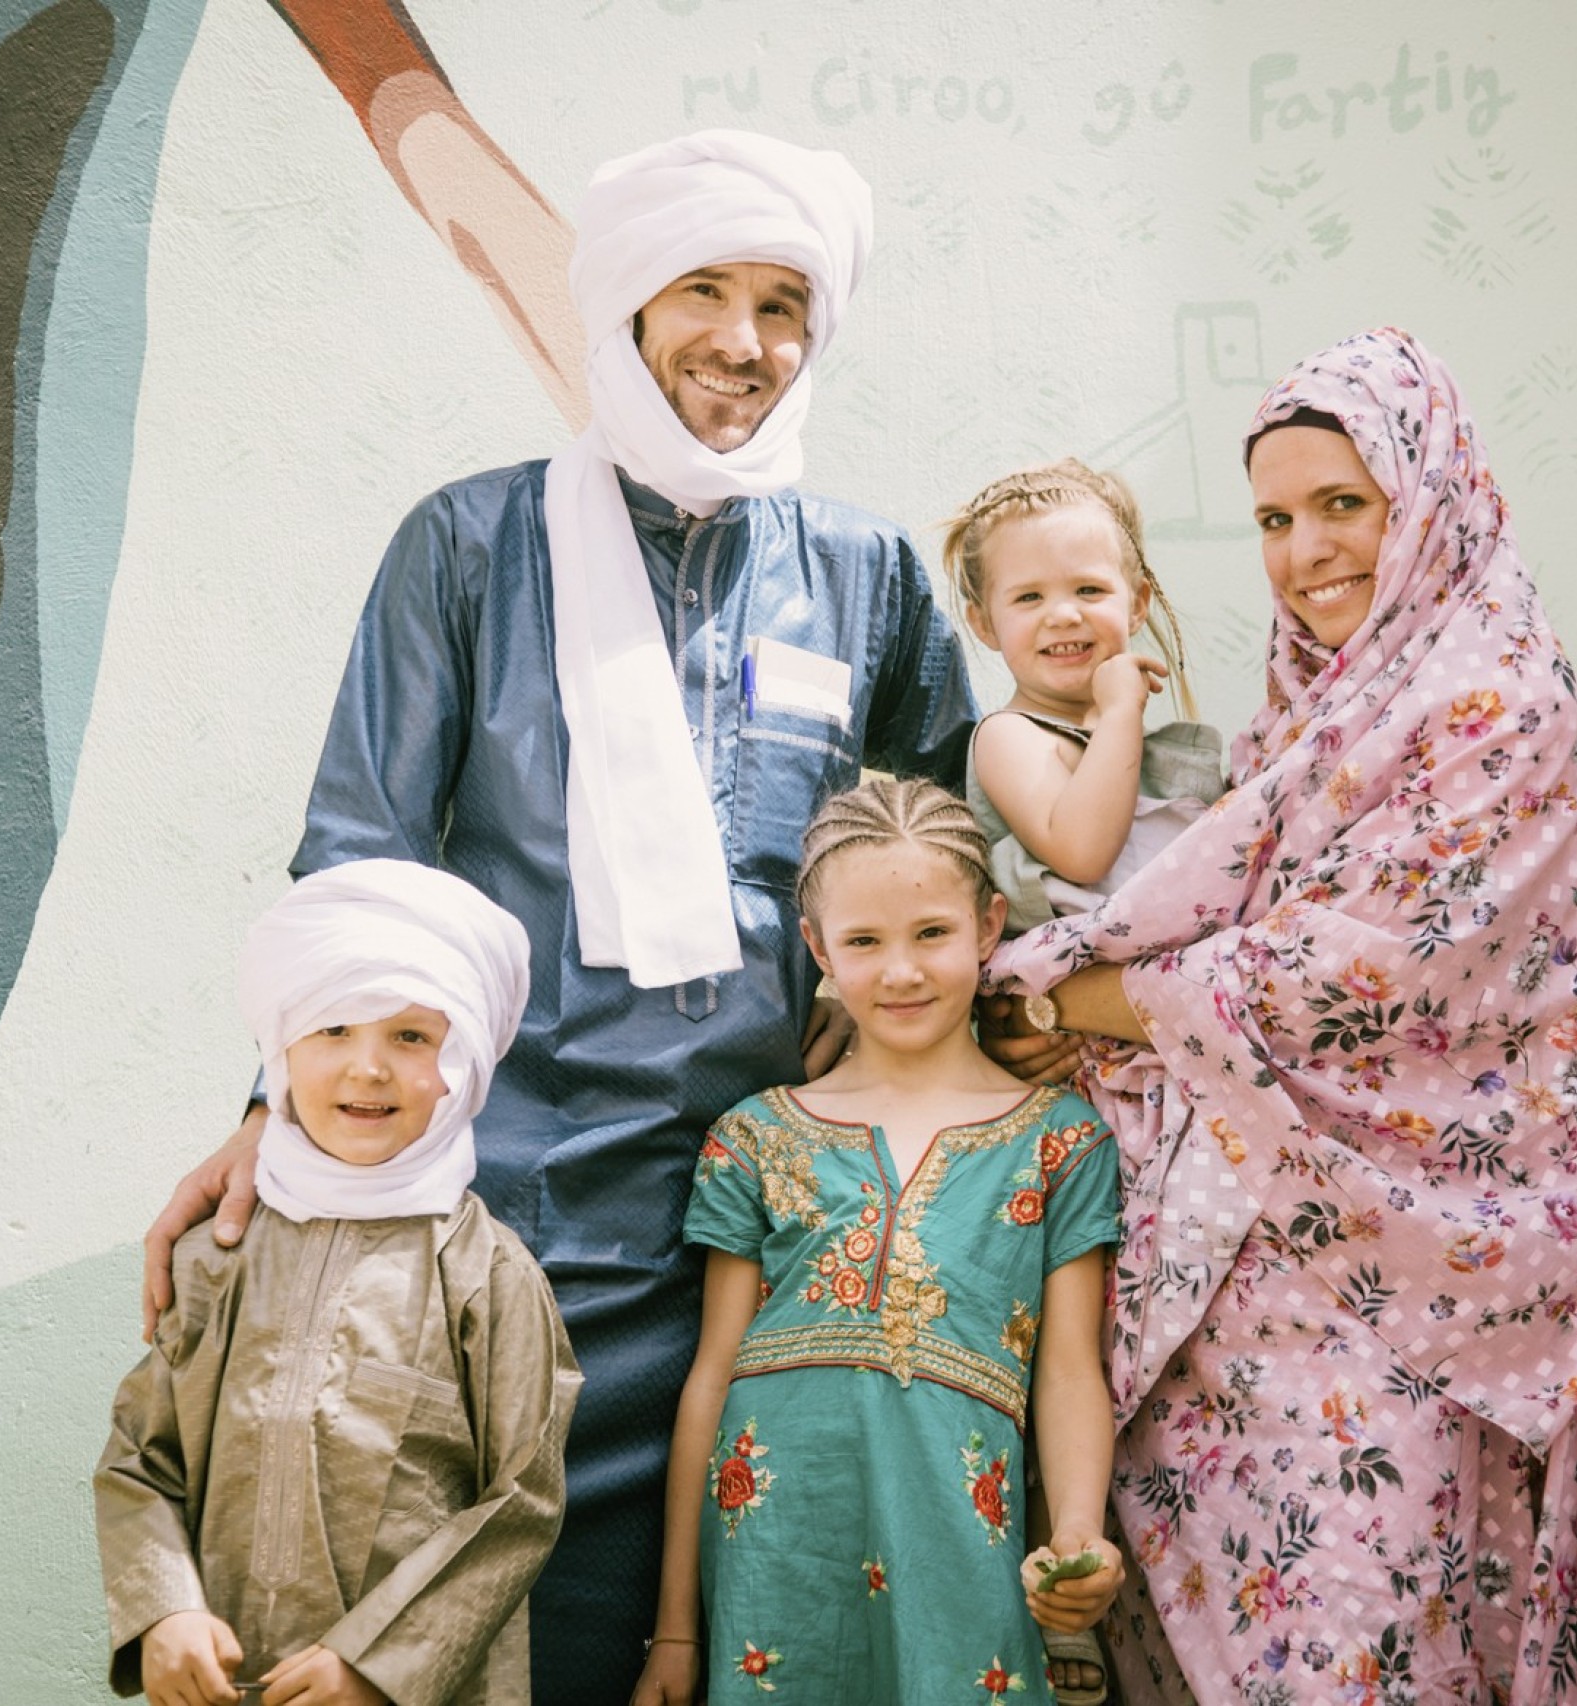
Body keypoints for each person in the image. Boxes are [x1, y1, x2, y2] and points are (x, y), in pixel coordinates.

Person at [139, 131, 977, 1706]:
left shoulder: (866, 571)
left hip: (761, 1206)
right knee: (444, 1603)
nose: (744, 340)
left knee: (714, 1620)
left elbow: (940, 849)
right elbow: (361, 852)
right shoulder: (467, 542)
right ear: (625, 313)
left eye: (785, 301)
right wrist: (279, 1107)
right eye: (704, 290)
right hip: (497, 1194)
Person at [984, 330, 1577, 1705]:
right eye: (1273, 519)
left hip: (1427, 1312)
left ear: (1429, 495)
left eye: (1342, 505)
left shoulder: (1502, 707)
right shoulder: (1303, 718)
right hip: (1247, 1321)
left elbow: (1348, 977)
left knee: (1374, 1657)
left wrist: (1075, 990)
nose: (1305, 551)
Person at [630, 778, 1125, 1706]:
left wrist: (1080, 1536)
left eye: (931, 933)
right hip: (775, 1562)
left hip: (961, 1555)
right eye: (864, 941)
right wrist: (676, 1628)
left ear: (987, 928)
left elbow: (1067, 1372)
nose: (901, 971)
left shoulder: (1060, 1139)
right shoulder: (755, 1137)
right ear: (818, 948)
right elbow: (711, 1378)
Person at [97, 859, 581, 1706]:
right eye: (333, 1031)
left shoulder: (488, 1275)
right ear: (281, 1050)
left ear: (460, 1062)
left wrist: (377, 1663)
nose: (367, 1069)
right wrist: (165, 1611)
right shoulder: (218, 1258)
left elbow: (521, 1501)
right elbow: (142, 1461)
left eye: (409, 1036)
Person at [941, 458, 1223, 936]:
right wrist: (1118, 713)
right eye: (1029, 598)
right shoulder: (1008, 736)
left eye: (1089, 589)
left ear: (1135, 604)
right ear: (984, 623)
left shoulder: (1125, 739)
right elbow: (1082, 852)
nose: (1063, 615)